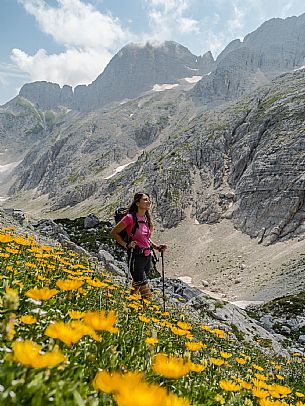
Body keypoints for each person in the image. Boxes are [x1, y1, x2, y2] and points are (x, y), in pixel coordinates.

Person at [110, 192, 167, 299]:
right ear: (137, 203)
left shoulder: (146, 219)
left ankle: (130, 304)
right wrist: (126, 245)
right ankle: (147, 314)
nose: (148, 201)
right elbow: (114, 233)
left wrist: (157, 247)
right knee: (147, 295)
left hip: (147, 257)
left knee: (136, 284)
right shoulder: (129, 218)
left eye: (149, 199)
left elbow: (146, 238)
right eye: (145, 199)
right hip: (136, 257)